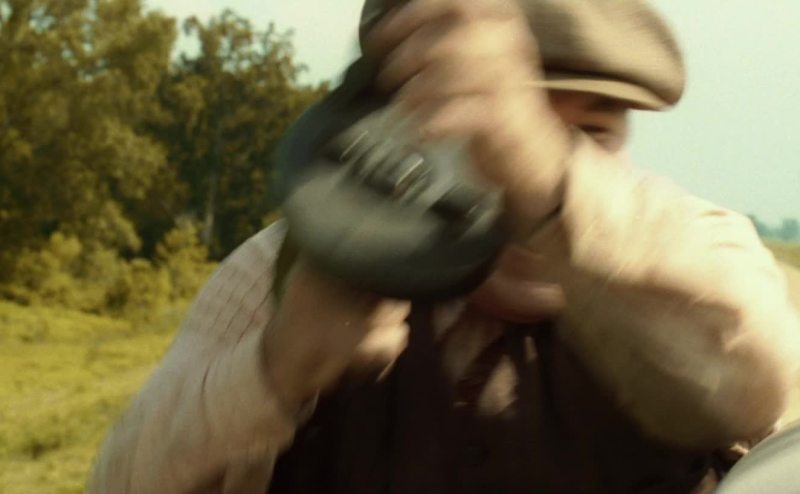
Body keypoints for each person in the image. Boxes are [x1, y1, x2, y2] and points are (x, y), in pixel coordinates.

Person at [87, 0, 800, 493]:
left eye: (589, 133)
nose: (510, 179)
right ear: (405, 135)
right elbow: (121, 481)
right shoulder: (290, 270)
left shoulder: (689, 251)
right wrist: (275, 370)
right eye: (472, 138)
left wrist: (545, 175)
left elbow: (758, 383)